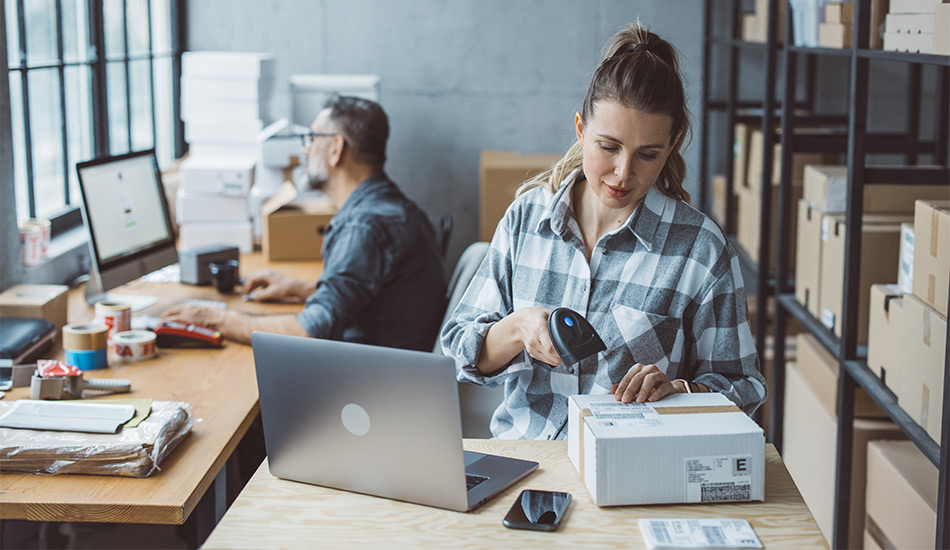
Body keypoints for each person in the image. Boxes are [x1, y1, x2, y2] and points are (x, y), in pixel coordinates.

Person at [441, 23, 766, 440]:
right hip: (527, 464)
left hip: (630, 474)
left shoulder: (699, 249)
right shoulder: (526, 219)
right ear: (581, 129)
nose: (623, 173)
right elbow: (459, 354)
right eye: (608, 147)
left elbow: (744, 387)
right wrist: (518, 328)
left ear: (673, 143)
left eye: (647, 155)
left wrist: (682, 392)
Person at [162, 95, 447, 351]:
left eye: (311, 138)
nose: (305, 150)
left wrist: (216, 317)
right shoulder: (394, 208)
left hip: (369, 386)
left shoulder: (364, 228)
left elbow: (309, 333)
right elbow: (376, 294)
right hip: (395, 367)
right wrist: (298, 288)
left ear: (336, 148)